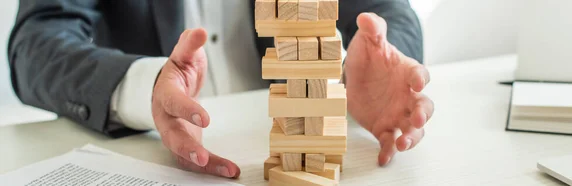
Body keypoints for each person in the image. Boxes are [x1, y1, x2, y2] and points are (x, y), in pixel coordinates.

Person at [8, 0, 433, 179]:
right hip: (148, 150)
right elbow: (38, 39)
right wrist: (143, 85)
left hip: (288, 136)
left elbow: (385, 7)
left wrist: (385, 54)